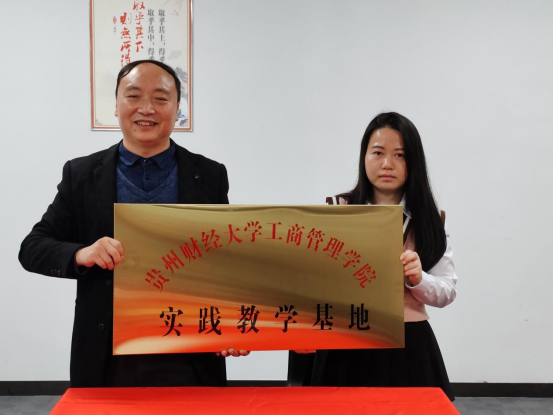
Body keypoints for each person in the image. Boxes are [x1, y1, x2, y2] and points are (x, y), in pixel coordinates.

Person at [19, 60, 247, 388]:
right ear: (116, 105)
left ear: (177, 109)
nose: (146, 109)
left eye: (161, 98)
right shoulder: (81, 174)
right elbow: (33, 248)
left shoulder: (209, 174)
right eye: (134, 96)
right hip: (106, 352)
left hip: (188, 351)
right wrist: (83, 253)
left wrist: (233, 324)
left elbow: (223, 260)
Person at [289, 112, 457, 401]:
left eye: (400, 155)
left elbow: (448, 290)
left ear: (414, 161)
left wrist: (419, 279)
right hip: (345, 341)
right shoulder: (336, 211)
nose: (387, 164)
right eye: (378, 152)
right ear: (364, 157)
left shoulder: (429, 221)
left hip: (407, 344)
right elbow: (312, 283)